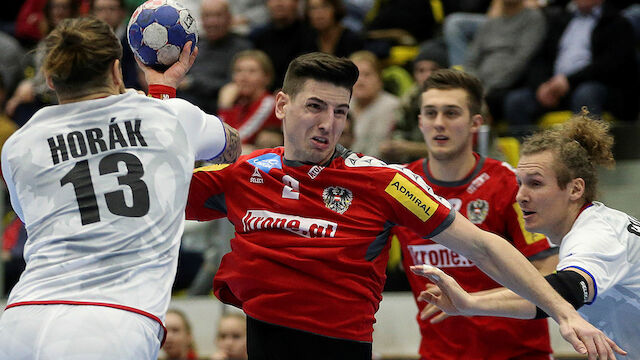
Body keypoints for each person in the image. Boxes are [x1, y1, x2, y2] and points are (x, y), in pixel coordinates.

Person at [185, 51, 622, 360]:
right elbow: (149, 196)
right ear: (282, 105)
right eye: (315, 106)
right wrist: (168, 109)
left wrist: (565, 313)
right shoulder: (244, 174)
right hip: (265, 340)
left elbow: (485, 246)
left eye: (340, 111)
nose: (328, 124)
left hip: (351, 344)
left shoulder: (384, 182)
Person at [0, 17, 240, 359]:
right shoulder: (168, 117)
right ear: (117, 70)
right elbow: (231, 144)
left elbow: (32, 216)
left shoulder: (19, 145)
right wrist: (161, 95)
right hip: (113, 319)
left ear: (51, 80)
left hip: (22, 317)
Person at [414, 111, 639, 357]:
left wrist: (471, 303)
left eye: (535, 183)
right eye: (519, 182)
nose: (520, 195)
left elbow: (565, 291)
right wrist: (470, 301)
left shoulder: (596, 235)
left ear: (575, 188)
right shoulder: (596, 225)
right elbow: (549, 292)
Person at [392, 69, 558, 359]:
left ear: (475, 123)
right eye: (430, 114)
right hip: (438, 354)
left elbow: (550, 275)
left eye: (451, 113)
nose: (439, 123)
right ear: (420, 121)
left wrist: (468, 302)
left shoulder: (510, 186)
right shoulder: (397, 187)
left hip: (518, 353)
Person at [503, 0, 639, 128]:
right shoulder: (561, 20)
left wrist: (569, 81)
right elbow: (540, 59)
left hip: (596, 87)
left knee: (586, 94)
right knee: (517, 101)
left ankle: (590, 151)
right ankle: (529, 152)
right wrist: (541, 85)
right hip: (555, 89)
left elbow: (610, 66)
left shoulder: (617, 22)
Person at [178, 0, 252, 115]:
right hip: (187, 106)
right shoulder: (194, 45)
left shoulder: (242, 48)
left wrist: (194, 83)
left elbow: (234, 85)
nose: (212, 22)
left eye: (218, 16)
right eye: (207, 16)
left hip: (221, 109)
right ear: (201, 19)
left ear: (229, 18)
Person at [217, 50, 282, 150]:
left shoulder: (269, 103)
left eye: (252, 71)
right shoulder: (240, 102)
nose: (243, 77)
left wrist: (225, 107)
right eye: (238, 71)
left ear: (267, 77)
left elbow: (233, 140)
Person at [348, 50, 401, 159]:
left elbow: (376, 152)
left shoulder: (392, 106)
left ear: (379, 78)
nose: (360, 81)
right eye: (356, 75)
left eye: (367, 75)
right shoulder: (344, 103)